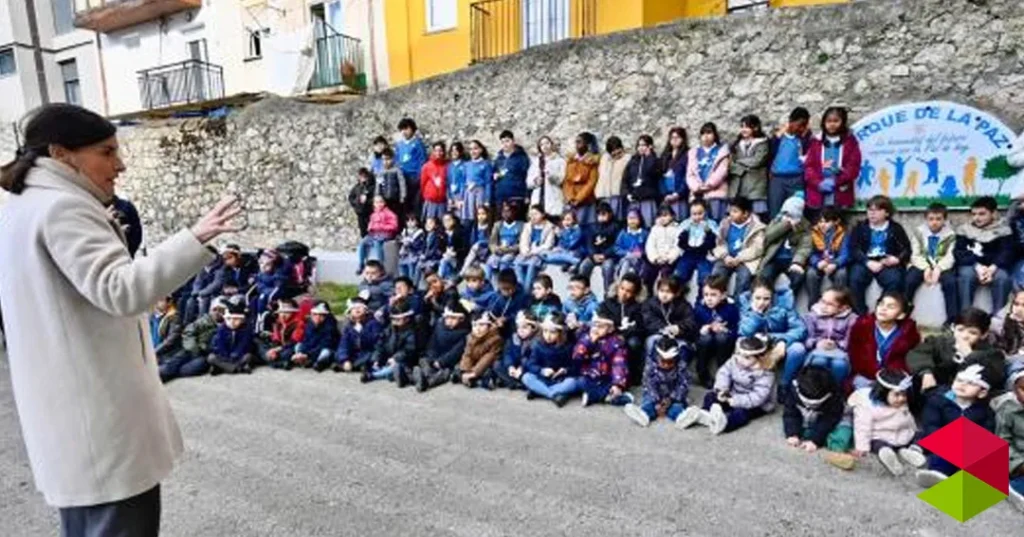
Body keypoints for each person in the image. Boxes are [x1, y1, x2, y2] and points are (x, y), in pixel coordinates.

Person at [0, 103, 243, 535]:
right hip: (99, 421)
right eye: (107, 152)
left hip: (73, 421)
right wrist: (195, 238)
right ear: (61, 154)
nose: (121, 164)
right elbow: (120, 290)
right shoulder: (63, 208)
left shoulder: (22, 205)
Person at [915, 363, 997, 488]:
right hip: (942, 440)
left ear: (982, 393)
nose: (962, 385)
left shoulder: (984, 410)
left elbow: (987, 430)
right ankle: (937, 474)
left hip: (969, 444)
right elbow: (931, 424)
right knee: (940, 457)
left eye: (971, 383)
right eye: (959, 380)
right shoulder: (938, 400)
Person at [678, 335, 776, 435]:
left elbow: (758, 397)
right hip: (733, 394)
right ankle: (704, 414)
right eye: (738, 354)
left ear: (760, 358)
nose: (740, 359)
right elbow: (724, 373)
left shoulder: (765, 374)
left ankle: (725, 424)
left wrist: (735, 401)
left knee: (741, 413)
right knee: (710, 396)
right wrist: (722, 389)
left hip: (757, 404)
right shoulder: (735, 361)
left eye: (746, 357)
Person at [907, 307, 1005, 394]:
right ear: (953, 327)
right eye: (960, 330)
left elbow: (994, 376)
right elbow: (918, 353)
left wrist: (970, 356)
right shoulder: (940, 342)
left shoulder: (992, 353)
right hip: (938, 389)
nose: (964, 336)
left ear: (983, 335)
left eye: (972, 333)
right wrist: (926, 372)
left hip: (969, 397)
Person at [847, 369, 925, 476]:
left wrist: (913, 429)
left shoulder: (900, 402)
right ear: (883, 393)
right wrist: (861, 447)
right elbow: (862, 427)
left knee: (924, 435)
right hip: (880, 437)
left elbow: (908, 418)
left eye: (904, 395)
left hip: (903, 434)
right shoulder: (868, 406)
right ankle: (887, 454)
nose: (901, 398)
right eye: (897, 395)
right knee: (878, 444)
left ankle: (913, 451)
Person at [739, 278, 807, 396]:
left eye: (766, 298)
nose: (761, 302)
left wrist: (783, 341)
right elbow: (745, 332)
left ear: (773, 297)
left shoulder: (784, 304)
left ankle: (784, 384)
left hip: (779, 342)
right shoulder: (746, 305)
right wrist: (756, 314)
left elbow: (799, 328)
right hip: (757, 343)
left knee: (798, 349)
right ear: (752, 296)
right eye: (757, 298)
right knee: (740, 342)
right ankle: (747, 382)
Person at [847, 195, 911, 315]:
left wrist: (897, 259)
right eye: (870, 210)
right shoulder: (860, 227)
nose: (872, 213)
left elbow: (906, 249)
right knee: (855, 278)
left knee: (895, 280)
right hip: (866, 261)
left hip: (887, 262)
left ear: (887, 213)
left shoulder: (895, 228)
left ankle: (880, 312)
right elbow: (854, 249)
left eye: (876, 210)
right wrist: (867, 262)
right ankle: (860, 314)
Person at [848, 292, 921, 391]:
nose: (883, 308)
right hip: (866, 375)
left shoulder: (908, 333)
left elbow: (906, 360)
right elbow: (854, 354)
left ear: (901, 315)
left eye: (891, 307)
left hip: (892, 378)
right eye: (881, 304)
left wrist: (888, 376)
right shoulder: (862, 326)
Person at [955, 196, 1014, 316]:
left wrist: (992, 268)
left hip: (995, 267)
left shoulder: (1003, 230)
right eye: (974, 214)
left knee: (1003, 279)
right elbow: (960, 252)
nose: (977, 218)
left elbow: (1006, 252)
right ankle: (965, 317)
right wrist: (977, 267)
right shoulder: (965, 230)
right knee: (966, 277)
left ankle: (999, 318)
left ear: (993, 213)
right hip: (972, 265)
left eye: (982, 214)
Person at [805, 106, 862, 218]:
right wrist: (818, 183)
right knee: (819, 223)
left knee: (837, 222)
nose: (832, 124)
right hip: (818, 191)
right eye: (829, 121)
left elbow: (853, 166)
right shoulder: (816, 142)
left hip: (840, 190)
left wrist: (837, 181)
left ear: (843, 122)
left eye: (836, 121)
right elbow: (809, 166)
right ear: (824, 123)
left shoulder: (850, 142)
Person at [905, 203, 957, 325]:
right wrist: (926, 268)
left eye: (938, 219)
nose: (934, 222)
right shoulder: (918, 232)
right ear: (926, 219)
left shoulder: (950, 235)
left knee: (950, 282)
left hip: (942, 265)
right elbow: (915, 254)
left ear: (944, 220)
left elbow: (950, 256)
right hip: (921, 264)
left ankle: (952, 320)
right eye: (931, 219)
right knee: (910, 280)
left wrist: (939, 268)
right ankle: (904, 313)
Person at [623, 337, 689, 427]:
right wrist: (656, 401)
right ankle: (644, 415)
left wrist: (671, 399)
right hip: (654, 395)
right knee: (648, 404)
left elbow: (683, 384)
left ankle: (682, 418)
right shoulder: (650, 365)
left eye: (670, 362)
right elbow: (648, 383)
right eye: (663, 361)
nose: (666, 365)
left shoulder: (681, 366)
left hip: (674, 396)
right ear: (657, 357)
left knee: (676, 408)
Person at [573, 309, 633, 407]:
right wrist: (589, 342)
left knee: (613, 388)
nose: (596, 329)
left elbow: (619, 364)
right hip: (588, 375)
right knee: (579, 382)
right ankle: (606, 397)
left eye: (601, 327)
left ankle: (595, 396)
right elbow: (577, 357)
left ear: (610, 329)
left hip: (607, 377)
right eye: (595, 325)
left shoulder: (616, 343)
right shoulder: (586, 338)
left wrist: (617, 384)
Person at [801, 287, 858, 386]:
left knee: (839, 365)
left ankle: (836, 389)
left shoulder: (852, 319)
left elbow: (851, 342)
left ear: (843, 308)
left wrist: (836, 344)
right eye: (822, 301)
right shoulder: (811, 316)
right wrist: (817, 343)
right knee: (819, 361)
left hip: (840, 353)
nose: (824, 306)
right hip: (816, 351)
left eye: (830, 304)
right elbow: (806, 339)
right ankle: (815, 389)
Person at [711, 196, 766, 296]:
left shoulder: (757, 227)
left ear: (745, 213)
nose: (731, 214)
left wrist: (739, 258)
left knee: (744, 277)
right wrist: (725, 256)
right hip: (726, 258)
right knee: (716, 274)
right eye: (730, 211)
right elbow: (719, 243)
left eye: (735, 211)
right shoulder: (725, 223)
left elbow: (757, 248)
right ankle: (717, 300)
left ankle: (739, 303)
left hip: (745, 260)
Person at [413, 300, 472, 392]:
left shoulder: (465, 333)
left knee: (446, 372)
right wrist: (432, 357)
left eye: (453, 318)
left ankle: (426, 381)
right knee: (423, 360)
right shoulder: (439, 326)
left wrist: (441, 362)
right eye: (447, 318)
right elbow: (432, 343)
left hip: (448, 363)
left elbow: (456, 352)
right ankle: (425, 376)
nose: (449, 321)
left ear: (461, 319)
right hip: (435, 357)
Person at [757, 194, 812, 294]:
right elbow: (767, 237)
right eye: (785, 213)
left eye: (791, 215)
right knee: (765, 275)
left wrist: (797, 262)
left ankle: (787, 300)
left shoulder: (805, 226)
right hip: (774, 259)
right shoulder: (777, 221)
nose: (787, 217)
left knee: (797, 277)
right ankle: (767, 298)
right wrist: (784, 226)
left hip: (792, 260)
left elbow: (805, 247)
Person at [161, 298, 225, 382]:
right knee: (172, 364)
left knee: (188, 370)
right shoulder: (203, 321)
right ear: (210, 310)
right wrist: (193, 348)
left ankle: (171, 374)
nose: (217, 312)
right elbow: (188, 332)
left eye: (220, 310)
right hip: (191, 349)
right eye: (214, 310)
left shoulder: (225, 327)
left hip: (204, 355)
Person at [521, 313, 579, 406]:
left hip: (560, 379)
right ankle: (552, 395)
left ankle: (539, 391)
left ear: (561, 333)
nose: (548, 336)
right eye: (545, 331)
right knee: (526, 377)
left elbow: (575, 367)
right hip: (542, 378)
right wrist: (542, 370)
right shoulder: (538, 345)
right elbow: (531, 364)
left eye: (552, 332)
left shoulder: (568, 347)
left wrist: (565, 370)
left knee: (573, 383)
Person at [693, 274, 741, 388]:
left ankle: (723, 374)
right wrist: (703, 329)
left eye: (713, 295)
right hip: (705, 343)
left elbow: (735, 329)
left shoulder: (730, 309)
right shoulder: (700, 308)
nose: (709, 298)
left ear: (723, 295)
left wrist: (726, 330)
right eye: (706, 295)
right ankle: (702, 373)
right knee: (705, 338)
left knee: (721, 336)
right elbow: (693, 328)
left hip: (723, 344)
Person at [783, 366, 844, 452]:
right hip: (807, 418)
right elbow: (790, 414)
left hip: (825, 418)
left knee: (841, 430)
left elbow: (828, 420)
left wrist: (815, 440)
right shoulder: (793, 392)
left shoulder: (834, 399)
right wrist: (792, 433)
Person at [599, 274, 646, 385]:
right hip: (610, 334)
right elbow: (603, 319)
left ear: (635, 293)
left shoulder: (638, 307)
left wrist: (624, 335)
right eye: (622, 288)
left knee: (634, 343)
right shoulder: (608, 303)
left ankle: (633, 374)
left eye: (628, 291)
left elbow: (640, 327)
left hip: (629, 336)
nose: (624, 293)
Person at [769, 106, 813, 218]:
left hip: (797, 179)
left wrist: (806, 134)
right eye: (799, 125)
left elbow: (807, 154)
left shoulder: (804, 139)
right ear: (790, 122)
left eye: (804, 125)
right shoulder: (779, 138)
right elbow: (770, 150)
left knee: (796, 211)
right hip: (777, 179)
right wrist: (779, 134)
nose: (801, 128)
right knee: (775, 211)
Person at [361, 299, 419, 384]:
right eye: (393, 319)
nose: (394, 322)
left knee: (394, 368)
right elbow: (380, 345)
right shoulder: (389, 330)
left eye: (398, 319)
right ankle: (380, 372)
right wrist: (376, 359)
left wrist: (395, 358)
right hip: (388, 359)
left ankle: (373, 375)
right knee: (376, 363)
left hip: (405, 360)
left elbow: (409, 350)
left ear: (407, 319)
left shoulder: (412, 332)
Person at [641, 275, 698, 356]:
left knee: (683, 350)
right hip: (657, 335)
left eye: (668, 292)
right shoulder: (650, 304)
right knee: (652, 344)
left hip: (678, 337)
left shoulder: (684, 306)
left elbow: (691, 322)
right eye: (661, 291)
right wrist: (665, 328)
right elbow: (648, 320)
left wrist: (679, 328)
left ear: (676, 293)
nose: (664, 295)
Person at [686, 122, 732, 222]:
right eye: (703, 133)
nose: (706, 136)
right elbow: (690, 174)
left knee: (716, 221)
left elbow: (722, 171)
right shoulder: (694, 152)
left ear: (715, 135)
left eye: (709, 133)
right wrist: (696, 187)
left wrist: (709, 185)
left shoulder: (722, 151)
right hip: (698, 194)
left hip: (716, 193)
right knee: (699, 222)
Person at [805, 208, 850, 306]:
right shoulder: (813, 232)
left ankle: (837, 303)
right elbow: (809, 252)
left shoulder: (843, 233)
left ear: (836, 221)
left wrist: (835, 264)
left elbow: (845, 254)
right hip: (819, 263)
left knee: (841, 274)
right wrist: (817, 262)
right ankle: (813, 304)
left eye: (826, 222)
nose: (822, 225)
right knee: (811, 274)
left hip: (835, 263)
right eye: (820, 221)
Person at [728, 115, 770, 220]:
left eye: (747, 127)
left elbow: (757, 160)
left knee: (757, 216)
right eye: (742, 126)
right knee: (740, 216)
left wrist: (739, 162)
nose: (744, 129)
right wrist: (743, 167)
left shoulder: (762, 143)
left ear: (755, 128)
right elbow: (730, 164)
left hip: (756, 185)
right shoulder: (736, 145)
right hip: (739, 187)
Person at [996, 368, 1024, 511]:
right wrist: (1019, 463)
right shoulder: (1008, 409)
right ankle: (1014, 488)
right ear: (1014, 390)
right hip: (1016, 459)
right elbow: (1003, 441)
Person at [577, 202, 620, 295]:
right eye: (599, 214)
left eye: (604, 214)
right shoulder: (592, 226)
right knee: (584, 266)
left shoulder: (616, 227)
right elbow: (589, 243)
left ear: (610, 214)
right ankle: (583, 292)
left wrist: (605, 255)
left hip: (608, 256)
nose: (601, 216)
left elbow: (616, 245)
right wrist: (593, 255)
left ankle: (608, 294)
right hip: (594, 255)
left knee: (608, 268)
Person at [674, 198, 717, 288]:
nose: (697, 217)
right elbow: (680, 243)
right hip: (688, 253)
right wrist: (685, 233)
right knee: (679, 274)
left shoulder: (711, 224)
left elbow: (713, 243)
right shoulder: (686, 224)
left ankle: (702, 296)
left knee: (705, 276)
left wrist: (708, 232)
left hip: (704, 255)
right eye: (694, 214)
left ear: (705, 212)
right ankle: (678, 294)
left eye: (700, 213)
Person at [456, 311, 505, 388]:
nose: (477, 329)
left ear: (489, 326)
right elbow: (467, 354)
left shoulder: (496, 339)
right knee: (460, 366)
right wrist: (466, 370)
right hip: (475, 362)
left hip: (487, 364)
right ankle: (470, 379)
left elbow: (488, 357)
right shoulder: (470, 337)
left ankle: (483, 380)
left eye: (481, 325)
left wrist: (474, 373)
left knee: (490, 370)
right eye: (475, 325)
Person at [334, 297, 382, 372]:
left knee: (371, 356)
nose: (357, 310)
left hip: (368, 353)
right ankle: (349, 365)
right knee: (338, 354)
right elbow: (344, 344)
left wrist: (360, 332)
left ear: (366, 310)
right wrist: (345, 360)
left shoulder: (373, 324)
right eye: (354, 308)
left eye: (359, 307)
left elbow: (377, 344)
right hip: (354, 354)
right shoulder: (349, 327)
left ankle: (355, 366)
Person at [563, 132, 601, 228]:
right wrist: (570, 197)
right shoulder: (571, 161)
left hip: (586, 200)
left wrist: (579, 198)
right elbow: (567, 181)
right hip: (572, 199)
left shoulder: (592, 161)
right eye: (576, 142)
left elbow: (591, 182)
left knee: (587, 227)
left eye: (579, 142)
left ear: (587, 145)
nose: (576, 145)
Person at [493, 310, 539, 389]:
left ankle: (520, 383)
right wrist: (510, 366)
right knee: (497, 365)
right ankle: (515, 383)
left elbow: (531, 358)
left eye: (525, 327)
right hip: (515, 366)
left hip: (526, 367)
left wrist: (521, 368)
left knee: (532, 371)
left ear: (533, 328)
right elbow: (508, 353)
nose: (521, 330)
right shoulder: (514, 337)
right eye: (518, 327)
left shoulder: (536, 341)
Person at [623, 134, 662, 226]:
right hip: (634, 199)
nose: (641, 148)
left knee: (648, 224)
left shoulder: (655, 160)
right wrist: (627, 193)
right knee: (634, 225)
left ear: (650, 146)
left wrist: (649, 157)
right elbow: (625, 179)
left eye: (643, 145)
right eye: (639, 145)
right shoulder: (633, 161)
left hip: (647, 199)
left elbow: (651, 172)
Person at [257, 298, 306, 370]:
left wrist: (276, 350)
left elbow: (293, 341)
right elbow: (276, 339)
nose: (283, 315)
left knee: (285, 354)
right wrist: (273, 348)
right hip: (280, 347)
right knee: (259, 342)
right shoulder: (278, 323)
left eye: (287, 312)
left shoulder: (299, 323)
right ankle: (278, 362)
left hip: (290, 347)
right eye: (281, 312)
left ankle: (275, 362)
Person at [514, 204, 556, 287]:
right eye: (531, 214)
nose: (533, 217)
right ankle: (521, 286)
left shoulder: (549, 227)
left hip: (539, 253)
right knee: (517, 262)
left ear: (543, 214)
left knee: (532, 264)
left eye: (536, 214)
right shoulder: (527, 226)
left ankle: (527, 288)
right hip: (527, 253)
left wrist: (533, 252)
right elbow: (523, 241)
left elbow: (548, 244)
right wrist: (525, 251)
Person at [208, 302, 255, 375]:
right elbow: (220, 343)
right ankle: (237, 368)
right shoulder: (222, 329)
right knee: (211, 358)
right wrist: (225, 354)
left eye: (236, 319)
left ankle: (223, 368)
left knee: (248, 357)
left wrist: (236, 354)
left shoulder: (246, 329)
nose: (232, 322)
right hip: (224, 356)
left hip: (238, 355)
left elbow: (244, 344)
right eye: (229, 319)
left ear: (242, 320)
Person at [356, 195, 399, 275]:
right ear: (374, 204)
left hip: (385, 234)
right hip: (374, 234)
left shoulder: (389, 213)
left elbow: (394, 226)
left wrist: (381, 227)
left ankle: (380, 266)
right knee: (362, 243)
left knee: (377, 243)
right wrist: (370, 227)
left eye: (380, 202)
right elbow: (371, 224)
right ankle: (361, 263)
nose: (379, 204)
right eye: (376, 202)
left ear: (384, 203)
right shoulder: (373, 214)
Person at [527, 135, 567, 220]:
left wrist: (551, 176)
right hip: (538, 198)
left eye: (547, 143)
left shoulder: (560, 161)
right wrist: (535, 181)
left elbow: (563, 179)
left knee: (553, 221)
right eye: (542, 144)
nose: (545, 146)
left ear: (551, 145)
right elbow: (528, 181)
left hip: (553, 197)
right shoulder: (536, 162)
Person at [494, 130, 531, 218]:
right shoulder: (499, 159)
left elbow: (526, 176)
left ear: (513, 141)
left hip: (517, 195)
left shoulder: (522, 158)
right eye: (502, 142)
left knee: (517, 221)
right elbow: (494, 173)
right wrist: (495, 175)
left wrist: (527, 195)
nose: (505, 144)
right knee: (502, 222)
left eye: (507, 141)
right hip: (501, 196)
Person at [296, 302, 341, 372]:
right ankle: (303, 360)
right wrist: (301, 352)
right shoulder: (309, 325)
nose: (317, 317)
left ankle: (319, 363)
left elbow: (326, 344)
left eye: (321, 315)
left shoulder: (330, 327)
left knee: (326, 352)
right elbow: (305, 340)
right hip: (311, 350)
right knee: (298, 345)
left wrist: (308, 354)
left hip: (325, 349)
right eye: (315, 314)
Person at [396, 118, 427, 216]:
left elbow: (422, 161)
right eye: (402, 129)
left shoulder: (418, 144)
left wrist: (419, 176)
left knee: (415, 203)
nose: (404, 132)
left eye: (406, 129)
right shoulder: (399, 145)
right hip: (402, 177)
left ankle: (415, 221)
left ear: (412, 129)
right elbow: (397, 160)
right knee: (404, 202)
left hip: (414, 177)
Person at [487, 202, 524, 285]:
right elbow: (492, 242)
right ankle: (487, 284)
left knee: (504, 260)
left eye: (508, 211)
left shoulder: (521, 225)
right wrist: (495, 249)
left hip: (512, 252)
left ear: (514, 212)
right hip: (499, 251)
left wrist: (508, 250)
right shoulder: (498, 225)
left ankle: (503, 284)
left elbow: (521, 244)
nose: (506, 214)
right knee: (491, 260)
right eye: (504, 212)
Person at [646, 205, 683, 285]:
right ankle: (648, 290)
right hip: (657, 259)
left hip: (670, 261)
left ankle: (665, 290)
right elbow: (650, 246)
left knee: (666, 273)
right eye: (660, 216)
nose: (662, 218)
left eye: (665, 215)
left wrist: (669, 258)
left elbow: (678, 246)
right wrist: (655, 258)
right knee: (648, 273)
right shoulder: (655, 229)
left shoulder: (677, 229)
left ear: (672, 216)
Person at [486, 268, 530, 337]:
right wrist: (494, 320)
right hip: (499, 328)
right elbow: (492, 311)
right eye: (504, 289)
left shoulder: (523, 297)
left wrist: (506, 319)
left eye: (510, 288)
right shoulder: (497, 296)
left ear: (515, 286)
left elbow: (522, 313)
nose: (509, 291)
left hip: (514, 329)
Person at [659, 127, 690, 219]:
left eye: (678, 137)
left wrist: (678, 193)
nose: (675, 140)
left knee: (680, 219)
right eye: (672, 137)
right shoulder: (665, 155)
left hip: (680, 195)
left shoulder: (687, 154)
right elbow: (660, 176)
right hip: (666, 195)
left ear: (683, 139)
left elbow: (687, 175)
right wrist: (664, 193)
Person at [597, 136, 629, 219]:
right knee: (605, 218)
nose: (617, 155)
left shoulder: (627, 158)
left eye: (619, 152)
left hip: (619, 194)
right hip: (605, 195)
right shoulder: (605, 159)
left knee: (619, 218)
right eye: (614, 153)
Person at [613, 208, 649, 281]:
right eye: (630, 218)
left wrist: (641, 253)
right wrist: (626, 253)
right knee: (627, 262)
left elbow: (649, 249)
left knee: (630, 261)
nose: (632, 221)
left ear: (640, 219)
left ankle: (622, 282)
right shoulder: (623, 233)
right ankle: (622, 282)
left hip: (640, 261)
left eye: (634, 218)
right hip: (625, 259)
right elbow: (616, 248)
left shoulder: (645, 233)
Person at [461, 140, 493, 223]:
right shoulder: (466, 164)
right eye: (471, 149)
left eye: (475, 148)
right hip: (468, 193)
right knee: (469, 218)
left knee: (480, 217)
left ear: (480, 150)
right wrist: (461, 197)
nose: (473, 151)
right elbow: (463, 181)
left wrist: (487, 200)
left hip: (480, 193)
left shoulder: (486, 164)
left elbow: (488, 182)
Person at [461, 206, 493, 278]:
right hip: (475, 252)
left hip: (486, 252)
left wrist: (480, 243)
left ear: (488, 214)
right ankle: (463, 272)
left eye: (483, 214)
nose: (481, 216)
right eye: (479, 214)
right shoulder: (474, 226)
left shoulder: (491, 226)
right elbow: (471, 241)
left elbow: (491, 241)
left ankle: (461, 273)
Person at [420, 141, 449, 221]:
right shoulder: (427, 166)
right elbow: (423, 183)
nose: (438, 153)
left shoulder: (447, 166)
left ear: (444, 152)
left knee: (442, 222)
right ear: (432, 152)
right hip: (430, 200)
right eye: (436, 150)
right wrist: (427, 195)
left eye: (440, 151)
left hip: (442, 200)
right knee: (430, 221)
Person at [150, 295, 182, 362]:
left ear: (169, 302)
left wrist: (154, 352)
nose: (157, 302)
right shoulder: (152, 316)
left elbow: (171, 340)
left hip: (164, 353)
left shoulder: (173, 316)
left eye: (161, 300)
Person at [375, 147, 406, 215]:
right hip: (384, 200)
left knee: (396, 216)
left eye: (388, 159)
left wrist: (403, 196)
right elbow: (378, 185)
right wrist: (377, 197)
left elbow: (402, 184)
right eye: (383, 159)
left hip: (396, 199)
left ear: (392, 159)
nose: (385, 162)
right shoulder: (381, 172)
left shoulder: (397, 170)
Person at [397, 213, 426, 284]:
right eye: (408, 221)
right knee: (401, 267)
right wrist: (401, 241)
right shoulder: (404, 231)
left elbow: (419, 245)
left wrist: (409, 243)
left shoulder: (420, 232)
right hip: (404, 255)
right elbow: (398, 239)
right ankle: (403, 283)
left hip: (414, 254)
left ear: (417, 222)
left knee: (411, 268)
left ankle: (412, 284)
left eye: (412, 220)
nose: (410, 223)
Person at [438, 211, 466, 280]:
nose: (446, 223)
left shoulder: (460, 232)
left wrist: (456, 253)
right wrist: (443, 253)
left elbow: (465, 248)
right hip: (446, 257)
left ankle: (439, 279)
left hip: (458, 259)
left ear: (454, 220)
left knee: (444, 261)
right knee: (445, 262)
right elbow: (439, 248)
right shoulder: (441, 233)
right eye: (444, 221)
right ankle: (444, 280)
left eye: (449, 220)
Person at [348, 167, 376, 237]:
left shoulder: (372, 187)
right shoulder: (357, 187)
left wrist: (367, 201)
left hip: (369, 212)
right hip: (360, 213)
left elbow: (375, 199)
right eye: (361, 176)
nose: (363, 178)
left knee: (371, 231)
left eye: (364, 176)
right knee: (363, 232)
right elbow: (351, 197)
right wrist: (356, 203)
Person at [418, 216, 446, 281]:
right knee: (418, 265)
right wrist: (422, 254)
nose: (428, 225)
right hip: (427, 258)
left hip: (434, 258)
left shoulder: (437, 236)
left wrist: (426, 256)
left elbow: (435, 249)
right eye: (426, 223)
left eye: (430, 223)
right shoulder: (426, 235)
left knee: (428, 268)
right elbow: (423, 247)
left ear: (436, 225)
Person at [447, 141, 469, 219]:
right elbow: (448, 182)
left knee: (460, 216)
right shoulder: (449, 166)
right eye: (452, 150)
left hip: (461, 195)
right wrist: (449, 197)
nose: (454, 152)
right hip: (451, 195)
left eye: (456, 150)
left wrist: (461, 198)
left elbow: (465, 182)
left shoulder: (465, 165)